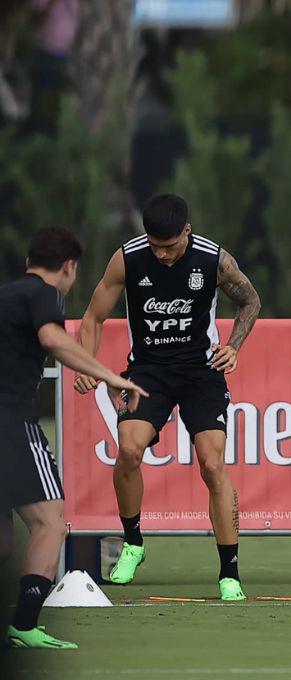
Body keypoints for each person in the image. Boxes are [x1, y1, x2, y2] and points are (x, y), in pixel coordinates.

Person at [74, 194, 261, 601]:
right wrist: (87, 365)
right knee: (128, 450)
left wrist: (234, 346)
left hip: (201, 372)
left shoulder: (214, 259)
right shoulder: (128, 258)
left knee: (213, 464)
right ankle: (134, 543)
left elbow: (250, 300)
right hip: (148, 372)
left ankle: (229, 573)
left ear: (187, 233)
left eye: (170, 246)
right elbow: (93, 317)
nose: (161, 254)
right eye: (155, 245)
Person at [2, 228, 148, 649]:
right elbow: (53, 340)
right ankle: (26, 625)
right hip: (10, 422)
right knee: (50, 523)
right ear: (68, 267)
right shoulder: (45, 296)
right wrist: (112, 377)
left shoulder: (6, 295)